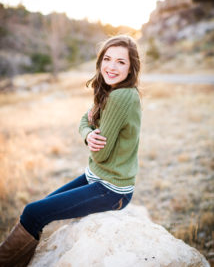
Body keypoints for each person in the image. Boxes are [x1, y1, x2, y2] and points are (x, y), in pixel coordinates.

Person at [0, 34, 142, 267]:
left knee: (33, 212)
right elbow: (83, 121)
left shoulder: (120, 97)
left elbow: (100, 154)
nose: (112, 66)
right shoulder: (111, 91)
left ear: (131, 67)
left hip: (111, 189)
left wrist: (91, 133)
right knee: (37, 211)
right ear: (100, 61)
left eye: (121, 62)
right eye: (107, 59)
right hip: (95, 177)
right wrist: (88, 134)